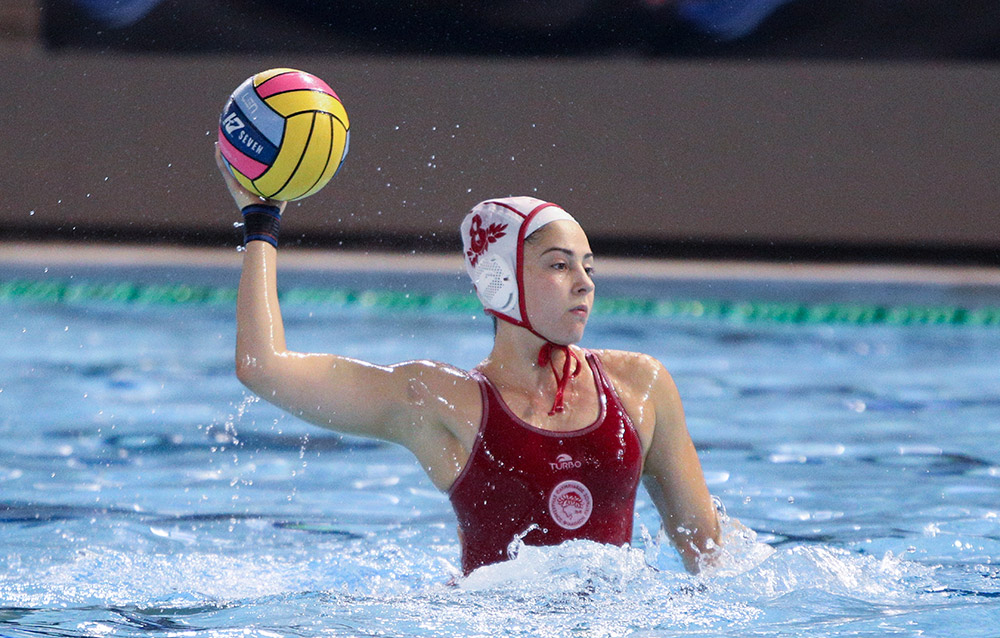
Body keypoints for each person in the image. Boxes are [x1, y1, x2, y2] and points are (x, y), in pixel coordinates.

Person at [217, 147, 720, 575]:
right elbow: (262, 366)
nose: (584, 283)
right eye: (559, 265)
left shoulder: (640, 386)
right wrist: (262, 222)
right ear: (500, 281)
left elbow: (710, 557)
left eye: (588, 267)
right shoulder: (439, 401)